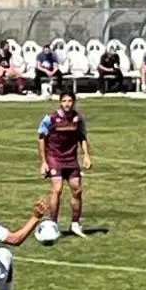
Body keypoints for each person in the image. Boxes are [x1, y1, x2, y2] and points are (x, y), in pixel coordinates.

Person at [38, 91, 92, 239]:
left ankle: (75, 223)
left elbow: (82, 137)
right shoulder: (50, 118)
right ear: (60, 102)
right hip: (54, 158)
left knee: (77, 189)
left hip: (71, 159)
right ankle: (53, 224)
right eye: (64, 101)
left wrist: (86, 155)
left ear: (73, 102)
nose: (67, 103)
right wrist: (43, 162)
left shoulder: (78, 119)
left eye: (69, 101)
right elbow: (41, 138)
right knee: (57, 189)